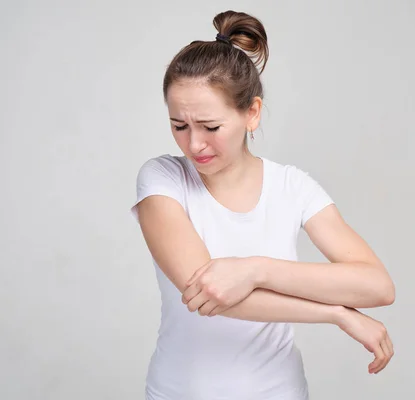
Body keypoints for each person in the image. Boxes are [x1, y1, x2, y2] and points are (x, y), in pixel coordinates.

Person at [130, 10, 396, 400]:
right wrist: (336, 313)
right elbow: (209, 293)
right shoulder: (163, 179)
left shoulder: (292, 187)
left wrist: (255, 270)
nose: (194, 144)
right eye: (179, 126)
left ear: (251, 113)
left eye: (211, 126)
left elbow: (377, 286)